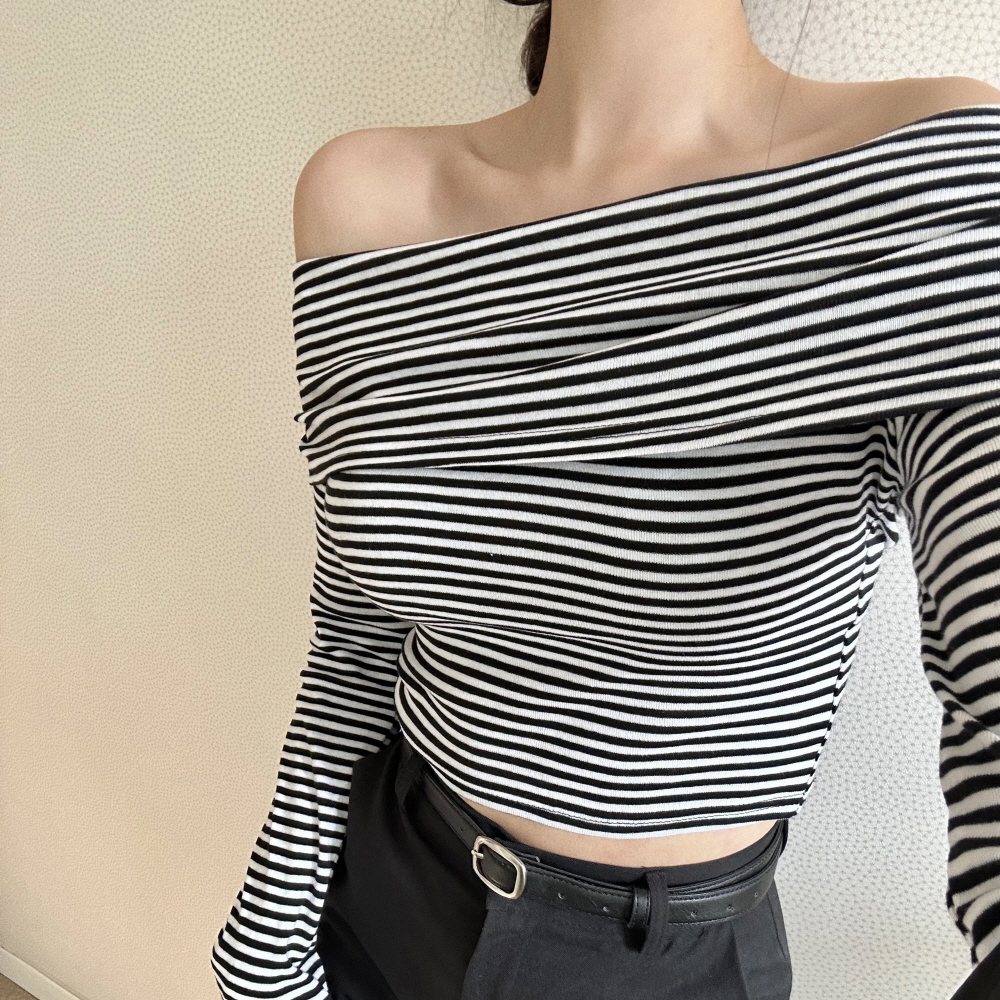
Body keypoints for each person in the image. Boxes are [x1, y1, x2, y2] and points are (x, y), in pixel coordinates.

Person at [212, 1, 1000, 998]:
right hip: (389, 877)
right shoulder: (362, 197)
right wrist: (265, 941)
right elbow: (358, 628)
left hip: (669, 959)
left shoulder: (928, 176)